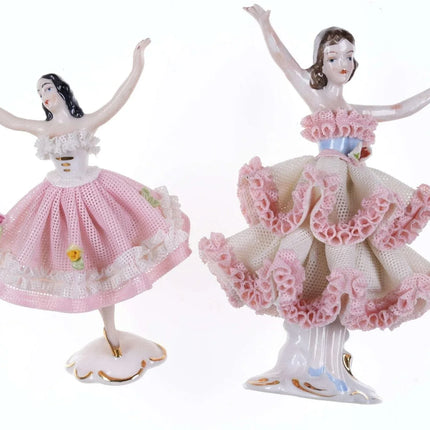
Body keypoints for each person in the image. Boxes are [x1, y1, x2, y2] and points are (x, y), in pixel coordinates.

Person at [200, 5, 430, 403]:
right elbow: (284, 62)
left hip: (351, 192)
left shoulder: (357, 111)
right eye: (333, 55)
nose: (344, 63)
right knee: (305, 255)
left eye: (349, 55)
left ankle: (328, 366)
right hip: (321, 187)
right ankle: (308, 366)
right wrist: (265, 23)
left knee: (344, 267)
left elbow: (399, 109)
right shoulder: (318, 96)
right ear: (321, 62)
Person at [0, 39, 191, 383]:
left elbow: (118, 100)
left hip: (95, 196)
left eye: (48, 88)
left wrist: (137, 65)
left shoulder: (84, 123)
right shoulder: (43, 128)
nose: (44, 95)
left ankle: (112, 334)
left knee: (106, 260)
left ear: (62, 90)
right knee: (81, 265)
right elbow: (9, 120)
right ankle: (110, 334)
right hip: (57, 202)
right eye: (39, 92)